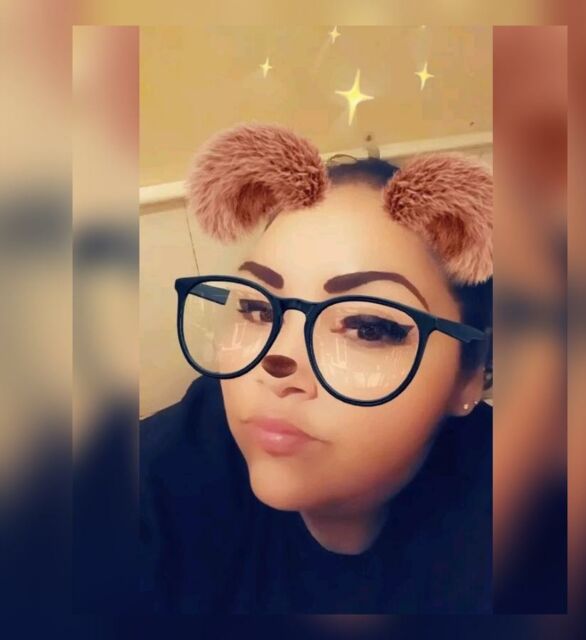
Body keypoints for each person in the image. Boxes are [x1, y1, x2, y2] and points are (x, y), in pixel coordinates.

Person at [139, 123, 493, 613]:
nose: (275, 361)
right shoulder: (161, 475)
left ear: (469, 374)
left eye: (368, 326)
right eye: (258, 309)